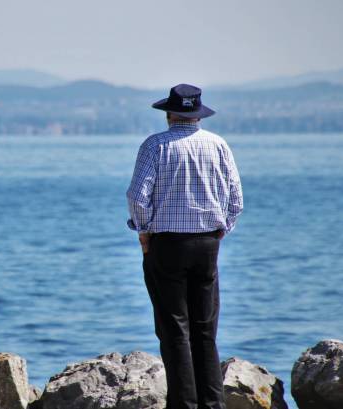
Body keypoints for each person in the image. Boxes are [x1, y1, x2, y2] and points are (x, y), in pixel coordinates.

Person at [126, 84, 243, 409]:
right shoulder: (218, 145)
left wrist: (144, 231)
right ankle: (213, 404)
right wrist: (222, 230)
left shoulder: (154, 146)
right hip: (207, 245)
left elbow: (137, 198)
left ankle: (184, 406)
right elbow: (236, 200)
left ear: (169, 113)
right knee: (205, 332)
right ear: (197, 114)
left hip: (166, 246)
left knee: (175, 331)